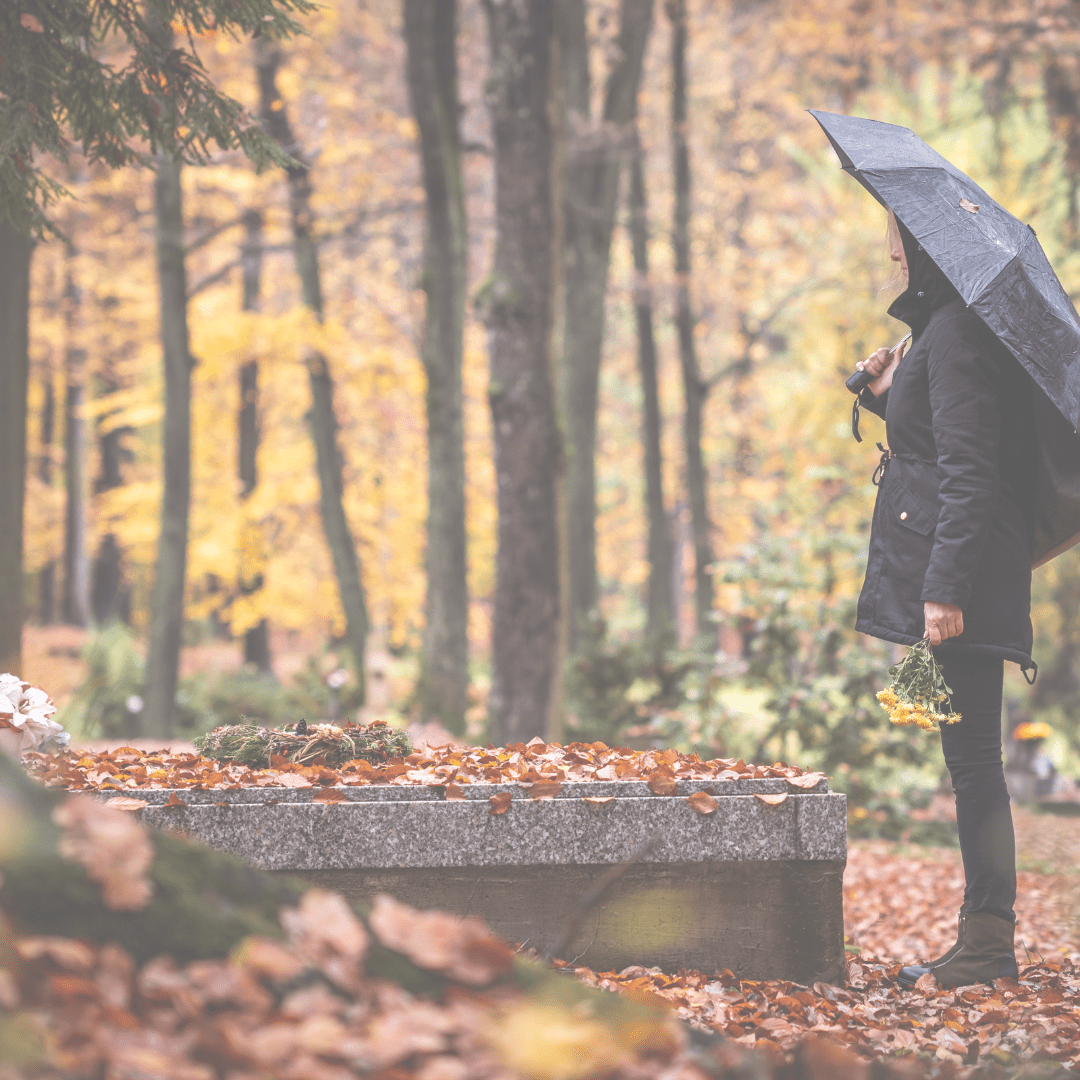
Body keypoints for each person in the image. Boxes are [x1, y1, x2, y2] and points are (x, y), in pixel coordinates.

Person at [854, 211, 1037, 989]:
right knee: (971, 765)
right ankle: (986, 940)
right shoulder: (939, 333)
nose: (892, 247)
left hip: (967, 581)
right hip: (962, 575)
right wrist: (878, 390)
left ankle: (989, 944)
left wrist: (943, 593)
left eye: (899, 234)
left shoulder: (958, 334)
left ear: (926, 245)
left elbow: (972, 472)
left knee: (974, 768)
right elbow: (927, 442)